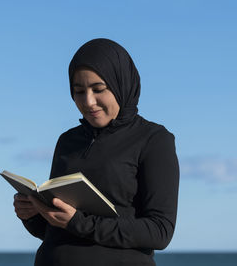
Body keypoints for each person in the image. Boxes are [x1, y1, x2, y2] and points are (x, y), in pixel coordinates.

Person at [13, 38, 179, 266]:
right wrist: (33, 215)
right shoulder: (67, 140)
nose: (88, 101)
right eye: (78, 91)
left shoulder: (154, 140)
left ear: (121, 83)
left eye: (98, 89)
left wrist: (78, 223)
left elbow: (160, 231)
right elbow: (57, 229)